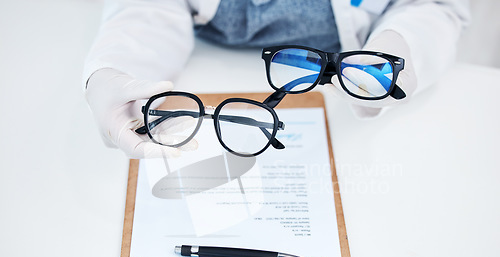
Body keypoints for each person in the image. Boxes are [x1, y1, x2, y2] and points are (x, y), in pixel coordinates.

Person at [84, 0, 470, 158]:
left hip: (353, 81)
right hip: (207, 55)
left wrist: (401, 43)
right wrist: (113, 70)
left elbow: (436, 6)